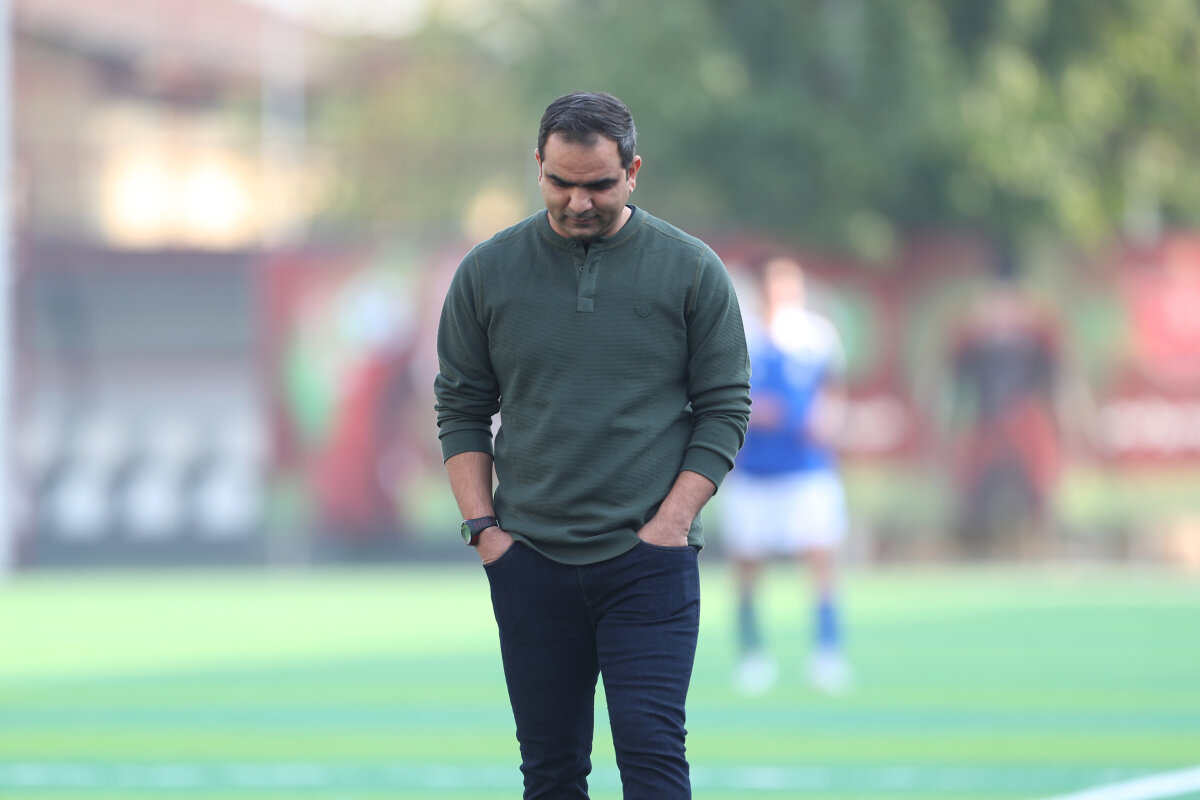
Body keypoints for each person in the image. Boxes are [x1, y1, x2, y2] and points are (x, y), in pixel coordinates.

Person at [433, 92, 751, 799]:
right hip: (529, 561)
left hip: (650, 562)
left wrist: (671, 525)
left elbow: (725, 408)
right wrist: (485, 531)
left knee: (654, 762)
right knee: (549, 774)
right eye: (560, 183)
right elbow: (460, 408)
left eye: (599, 185)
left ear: (633, 171)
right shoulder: (487, 272)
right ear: (538, 167)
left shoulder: (691, 269)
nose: (578, 202)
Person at [720, 256, 852, 696]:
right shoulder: (743, 337)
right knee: (746, 567)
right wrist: (759, 413)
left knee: (822, 562)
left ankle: (828, 653)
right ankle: (752, 656)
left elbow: (833, 394)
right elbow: (727, 400)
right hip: (754, 473)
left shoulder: (818, 337)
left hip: (807, 471)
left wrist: (827, 420)